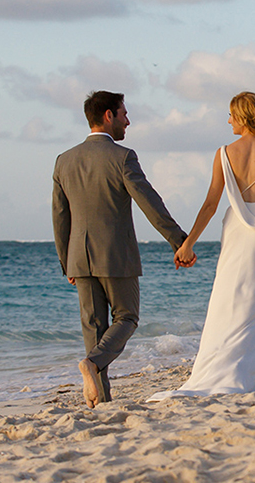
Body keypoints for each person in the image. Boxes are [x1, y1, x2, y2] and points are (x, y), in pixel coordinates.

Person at [147, 91, 255, 402]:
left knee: (227, 303)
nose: (228, 121)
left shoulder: (224, 153)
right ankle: (246, 374)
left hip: (237, 234)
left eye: (231, 115)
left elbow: (210, 204)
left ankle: (224, 370)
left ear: (242, 116)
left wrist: (188, 243)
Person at [52, 90, 193, 408]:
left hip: (79, 258)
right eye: (124, 114)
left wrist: (67, 263)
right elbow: (149, 202)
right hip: (117, 255)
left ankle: (99, 399)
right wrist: (179, 240)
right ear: (108, 116)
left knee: (94, 327)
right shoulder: (122, 157)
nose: (128, 121)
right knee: (127, 317)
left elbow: (60, 217)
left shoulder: (64, 161)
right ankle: (93, 363)